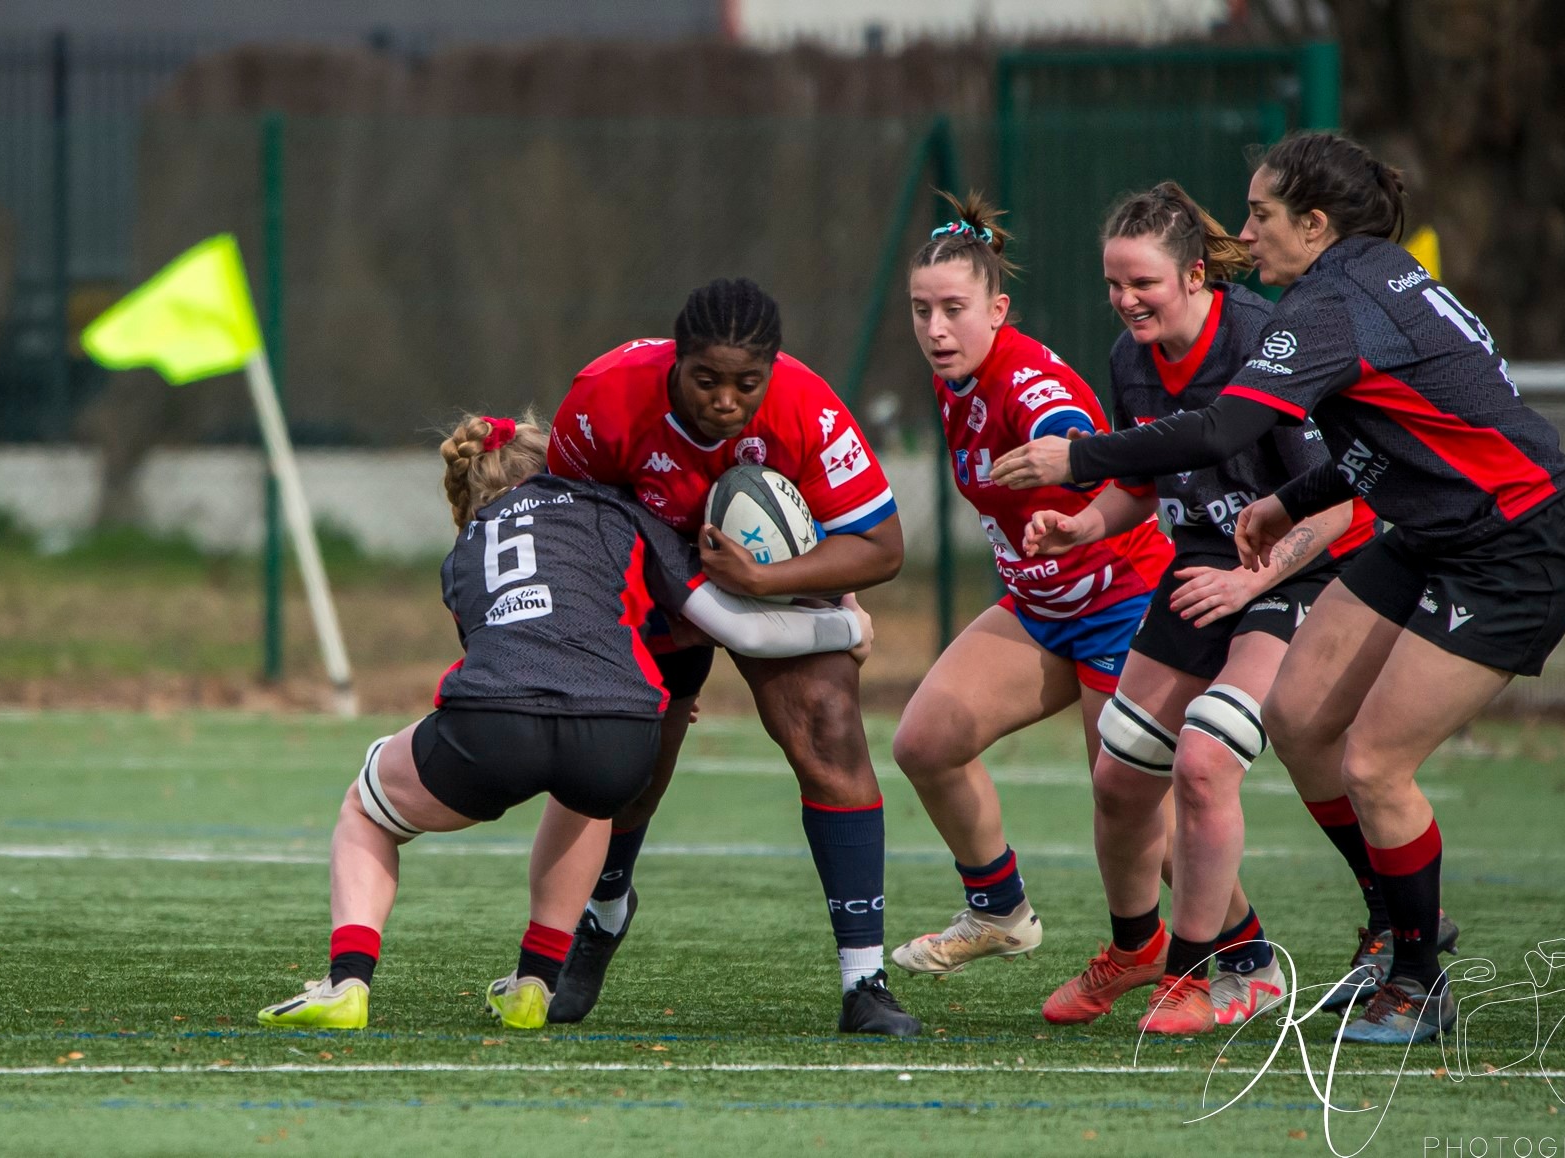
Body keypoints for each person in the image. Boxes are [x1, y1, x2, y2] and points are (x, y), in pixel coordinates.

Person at [992, 132, 1565, 1045]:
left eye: (1261, 214)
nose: (1243, 232)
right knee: (1304, 719)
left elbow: (1220, 430)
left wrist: (1078, 456)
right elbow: (1402, 432)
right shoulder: (1371, 277)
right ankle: (1392, 928)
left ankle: (1417, 983)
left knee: (1373, 763)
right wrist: (1288, 499)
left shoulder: (1326, 306)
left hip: (1511, 541)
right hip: (1437, 525)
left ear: (1314, 224)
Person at [257, 415, 872, 1031]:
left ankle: (347, 984)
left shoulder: (466, 548)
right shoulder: (618, 510)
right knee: (588, 795)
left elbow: (509, 645)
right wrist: (849, 627)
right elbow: (737, 630)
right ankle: (535, 983)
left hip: (496, 724)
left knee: (366, 809)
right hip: (621, 734)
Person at [1020, 181, 1376, 1034]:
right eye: (1114, 284)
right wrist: (1080, 525)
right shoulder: (1129, 358)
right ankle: (1141, 949)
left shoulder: (1263, 342)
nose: (1126, 300)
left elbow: (1340, 503)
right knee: (1119, 775)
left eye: (1142, 282)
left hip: (1305, 574)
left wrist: (1252, 582)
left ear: (1193, 275)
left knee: (1207, 761)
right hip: (1206, 569)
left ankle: (1213, 975)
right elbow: (1142, 483)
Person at [538, 277, 922, 1035]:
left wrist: (763, 578)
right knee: (629, 760)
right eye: (706, 379)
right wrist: (668, 607)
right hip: (649, 578)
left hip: (770, 578)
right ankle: (605, 914)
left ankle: (865, 982)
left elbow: (883, 547)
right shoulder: (604, 397)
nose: (725, 400)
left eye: (746, 383)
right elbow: (569, 533)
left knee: (829, 728)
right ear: (674, 363)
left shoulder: (805, 407)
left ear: (773, 371)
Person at [885, 192, 1178, 982]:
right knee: (925, 742)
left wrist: (1063, 453)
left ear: (998, 308)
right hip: (1043, 606)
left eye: (954, 309)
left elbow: (1064, 425)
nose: (936, 329)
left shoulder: (1022, 376)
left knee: (1135, 808)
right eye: (921, 311)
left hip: (1122, 602)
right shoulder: (956, 379)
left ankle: (1236, 956)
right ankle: (998, 911)